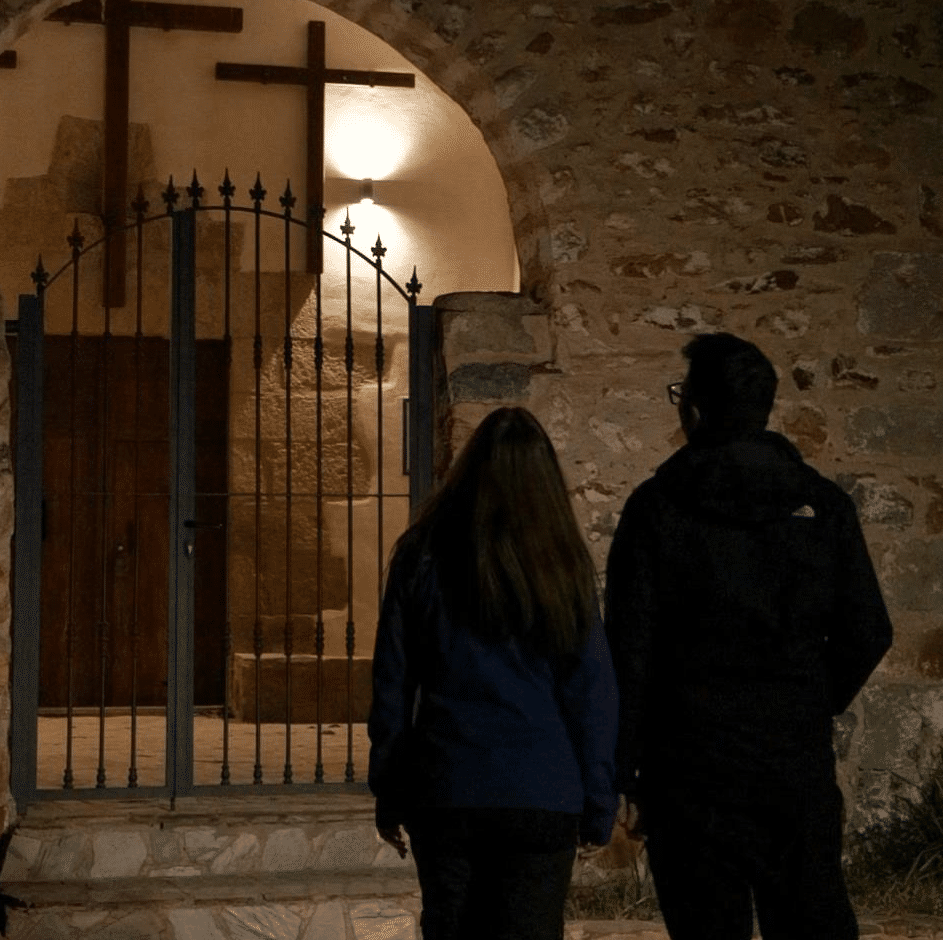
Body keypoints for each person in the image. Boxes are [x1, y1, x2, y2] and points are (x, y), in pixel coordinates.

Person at [605, 333, 893, 940]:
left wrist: (625, 768)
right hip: (792, 763)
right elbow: (867, 629)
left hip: (689, 769)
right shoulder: (820, 505)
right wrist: (809, 698)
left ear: (696, 410)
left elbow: (629, 650)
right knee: (810, 918)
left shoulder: (656, 510)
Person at [368, 405, 618, 940]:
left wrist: (389, 790)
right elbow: (591, 693)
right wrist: (598, 802)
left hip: (448, 784)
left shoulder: (422, 554)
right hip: (541, 787)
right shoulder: (562, 562)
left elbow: (393, 682)